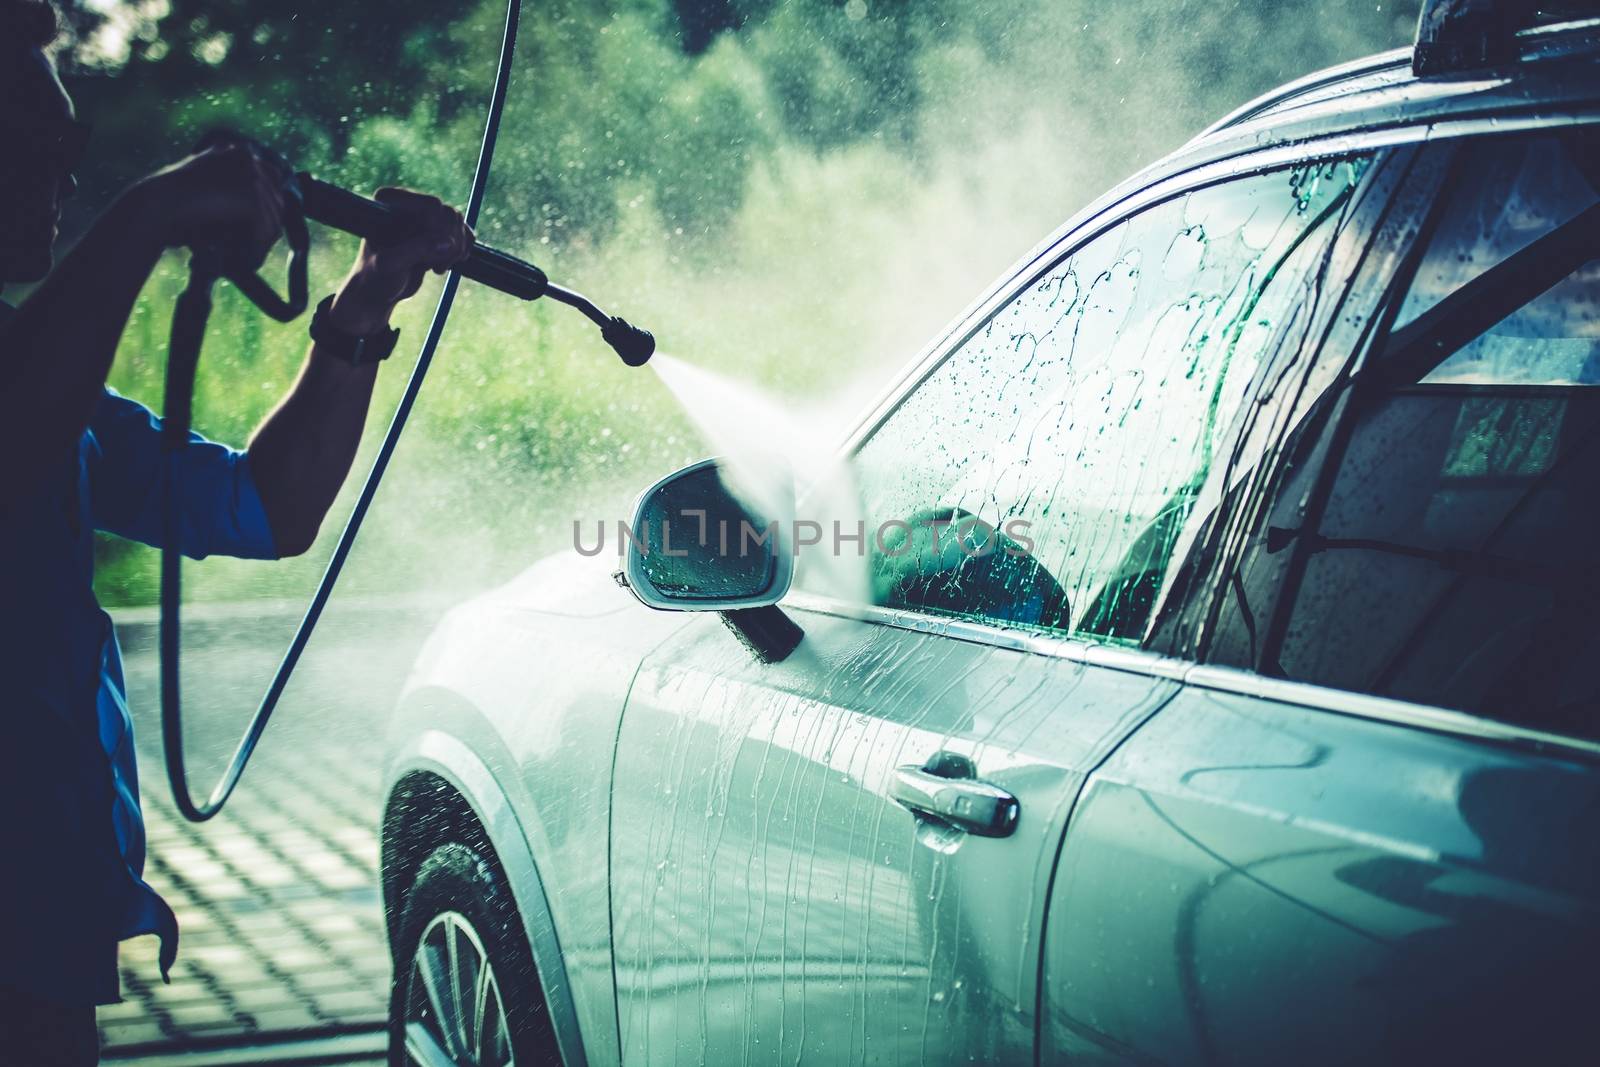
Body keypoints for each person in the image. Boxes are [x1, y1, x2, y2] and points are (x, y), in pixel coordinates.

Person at [0, 3, 473, 1062]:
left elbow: (267, 506)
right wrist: (145, 216)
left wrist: (366, 300)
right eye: (30, 125)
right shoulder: (32, 385)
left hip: (38, 934)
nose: (61, 162)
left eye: (69, 138)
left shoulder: (41, 371)